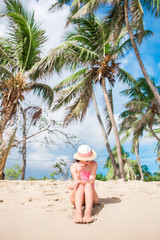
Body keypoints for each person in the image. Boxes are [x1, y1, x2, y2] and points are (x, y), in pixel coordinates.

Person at [69, 145, 99, 223]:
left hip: (91, 196)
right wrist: (78, 173)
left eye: (89, 158)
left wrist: (78, 182)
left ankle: (87, 214)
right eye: (86, 159)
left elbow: (91, 181)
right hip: (78, 197)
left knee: (88, 185)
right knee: (80, 186)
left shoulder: (93, 164)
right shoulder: (73, 167)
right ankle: (78, 213)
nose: (89, 160)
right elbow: (77, 182)